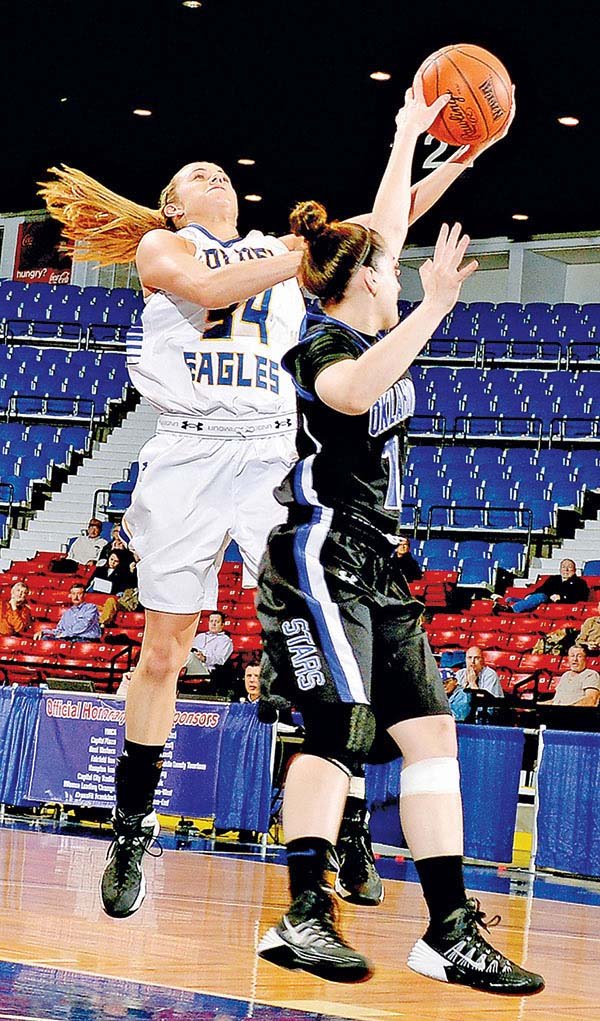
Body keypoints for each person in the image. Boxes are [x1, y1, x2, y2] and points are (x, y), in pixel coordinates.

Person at [40, 83, 514, 920]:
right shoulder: (161, 248)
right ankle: (131, 824)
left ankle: (353, 820)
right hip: (186, 450)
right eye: (197, 173)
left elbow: (380, 221)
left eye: (221, 171)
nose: (214, 176)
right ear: (173, 202)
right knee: (165, 649)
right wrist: (313, 250)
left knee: (333, 635)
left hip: (271, 449)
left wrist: (441, 153)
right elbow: (211, 287)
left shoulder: (278, 246)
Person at [255, 85, 541, 993]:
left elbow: (382, 218)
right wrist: (434, 307)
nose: (398, 264)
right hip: (316, 555)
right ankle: (301, 916)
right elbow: (349, 396)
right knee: (337, 728)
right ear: (366, 283)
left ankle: (449, 930)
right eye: (387, 268)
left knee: (432, 740)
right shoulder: (322, 345)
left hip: (379, 563)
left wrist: (413, 139)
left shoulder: (367, 305)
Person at [493, 559, 589, 614]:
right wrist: (531, 595)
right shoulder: (553, 579)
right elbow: (542, 589)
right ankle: (515, 602)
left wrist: (562, 598)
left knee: (541, 596)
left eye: (569, 567)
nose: (566, 570)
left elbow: (580, 597)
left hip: (561, 604)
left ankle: (512, 609)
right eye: (563, 567)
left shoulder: (580, 583)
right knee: (510, 598)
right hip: (546, 599)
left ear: (575, 570)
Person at [444, 646, 503, 722]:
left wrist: (472, 683)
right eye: (469, 658)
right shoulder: (460, 674)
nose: (472, 661)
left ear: (483, 661)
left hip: (485, 715)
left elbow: (487, 704)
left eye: (477, 658)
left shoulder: (490, 675)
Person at [36, 582, 101, 641]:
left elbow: (83, 626)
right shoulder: (67, 613)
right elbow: (59, 630)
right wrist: (43, 632)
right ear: (70, 595)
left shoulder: (90, 608)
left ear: (84, 595)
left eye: (79, 594)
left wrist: (64, 634)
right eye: (73, 594)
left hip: (86, 640)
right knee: (44, 638)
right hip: (69, 640)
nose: (76, 596)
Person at [185, 610, 233, 678]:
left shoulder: (225, 641)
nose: (213, 624)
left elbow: (220, 660)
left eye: (217, 622)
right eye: (211, 621)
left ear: (222, 624)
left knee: (189, 657)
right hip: (192, 664)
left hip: (208, 670)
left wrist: (204, 658)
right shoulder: (200, 636)